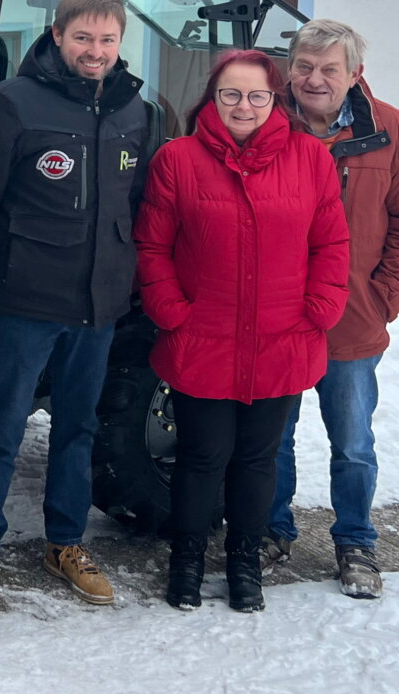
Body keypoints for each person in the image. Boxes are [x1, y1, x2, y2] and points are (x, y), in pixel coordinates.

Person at [0, 0, 155, 619]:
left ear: (120, 44)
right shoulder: (14, 104)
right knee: (3, 431)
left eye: (107, 40)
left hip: (99, 308)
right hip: (27, 304)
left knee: (78, 429)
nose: (96, 51)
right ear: (57, 36)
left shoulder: (133, 110)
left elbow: (139, 207)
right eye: (83, 38)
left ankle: (66, 544)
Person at [134, 49, 349, 612]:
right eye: (231, 94)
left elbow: (331, 242)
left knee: (258, 460)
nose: (244, 106)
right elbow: (153, 245)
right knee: (202, 458)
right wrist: (170, 306)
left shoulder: (309, 158)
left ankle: (244, 561)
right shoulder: (177, 159)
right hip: (202, 336)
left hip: (283, 337)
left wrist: (323, 302)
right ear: (213, 98)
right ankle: (186, 559)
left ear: (275, 99)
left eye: (257, 95)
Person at [263, 19, 399, 599]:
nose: (314, 79)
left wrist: (386, 294)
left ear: (354, 73)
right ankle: (271, 532)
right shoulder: (264, 122)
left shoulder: (394, 132)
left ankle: (356, 542)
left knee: (354, 442)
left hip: (353, 317)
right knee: (272, 436)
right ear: (291, 68)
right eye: (305, 67)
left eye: (329, 69)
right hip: (278, 318)